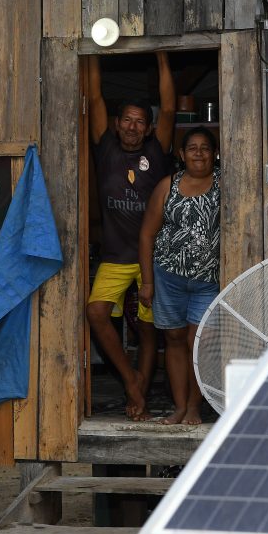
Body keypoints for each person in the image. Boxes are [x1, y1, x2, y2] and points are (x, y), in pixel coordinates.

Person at [86, 51, 175, 420]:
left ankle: (139, 390)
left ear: (150, 128)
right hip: (115, 256)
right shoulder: (105, 147)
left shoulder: (157, 151)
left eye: (141, 122)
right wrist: (90, 54)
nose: (133, 127)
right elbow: (94, 98)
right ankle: (132, 382)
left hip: (151, 258)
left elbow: (169, 109)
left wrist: (162, 57)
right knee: (96, 313)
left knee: (148, 328)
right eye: (128, 121)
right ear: (117, 123)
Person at [139, 127, 221, 425]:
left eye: (205, 148)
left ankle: (194, 406)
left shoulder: (224, 184)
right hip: (168, 276)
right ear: (182, 154)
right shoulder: (168, 185)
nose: (198, 153)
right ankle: (179, 407)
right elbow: (147, 235)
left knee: (199, 340)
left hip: (208, 280)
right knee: (173, 338)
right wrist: (147, 282)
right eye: (192, 148)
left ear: (215, 154)